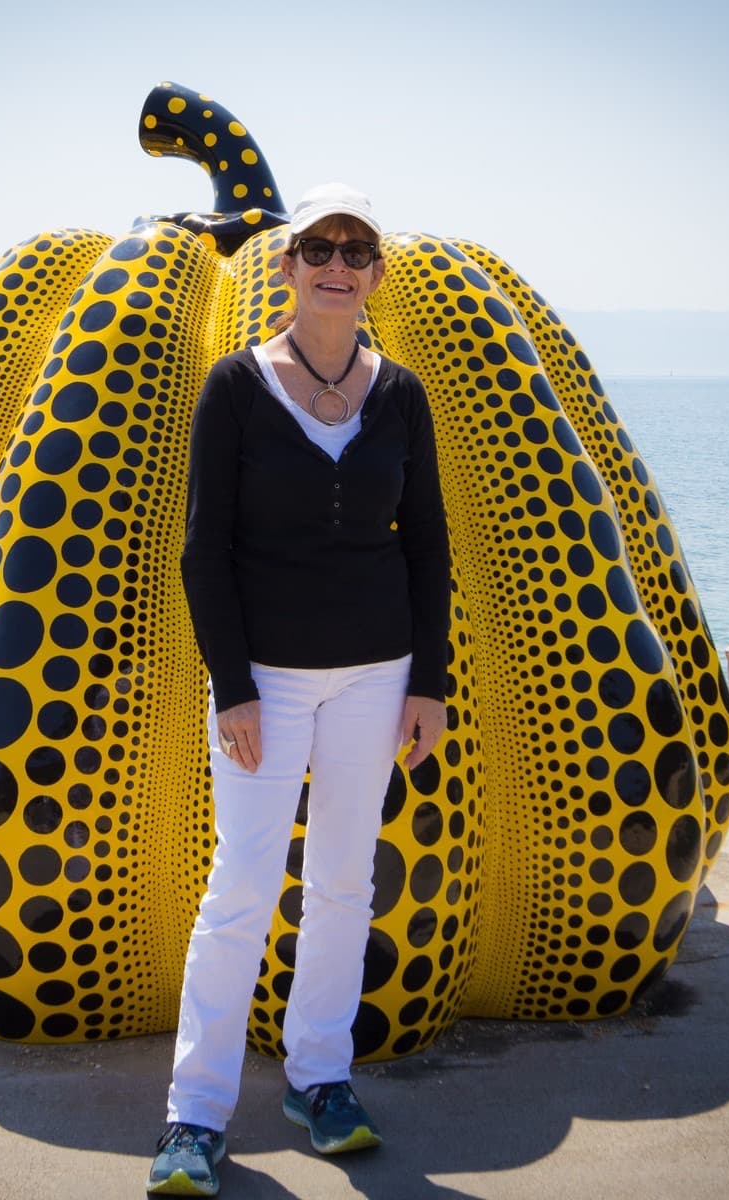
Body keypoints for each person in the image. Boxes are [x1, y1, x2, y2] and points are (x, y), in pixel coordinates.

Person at [147, 183, 451, 1196]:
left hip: (378, 673)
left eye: (357, 250)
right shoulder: (236, 387)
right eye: (318, 246)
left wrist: (431, 685)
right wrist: (230, 686)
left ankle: (320, 1080)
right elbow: (204, 550)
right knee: (240, 892)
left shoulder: (401, 395)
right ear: (286, 268)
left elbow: (429, 550)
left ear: (374, 274)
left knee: (342, 885)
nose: (337, 262)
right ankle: (195, 1115)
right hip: (265, 684)